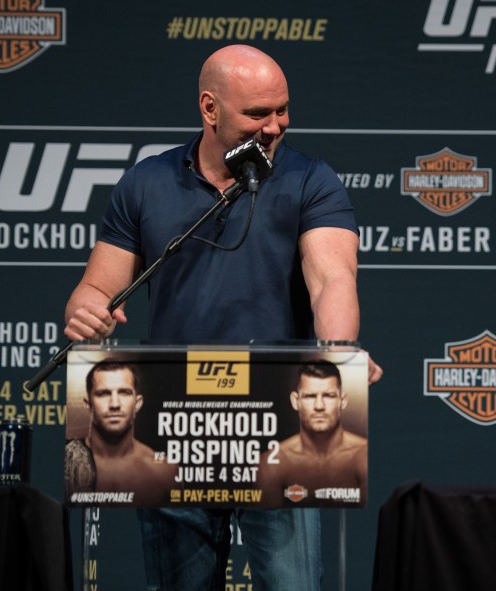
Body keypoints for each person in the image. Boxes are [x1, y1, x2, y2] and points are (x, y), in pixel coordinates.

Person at [63, 44, 382, 591]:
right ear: (210, 109)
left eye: (282, 110)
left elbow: (332, 276)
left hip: (276, 426)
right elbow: (95, 287)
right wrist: (85, 310)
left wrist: (337, 350)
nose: (275, 126)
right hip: (174, 425)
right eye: (258, 114)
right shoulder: (146, 183)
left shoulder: (312, 179)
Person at [65, 359, 177, 505]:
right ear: (88, 404)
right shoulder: (66, 462)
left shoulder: (164, 470)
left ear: (137, 404)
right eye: (103, 394)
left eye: (124, 393)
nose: (115, 404)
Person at [259, 360, 367, 507]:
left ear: (343, 401)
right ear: (295, 401)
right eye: (310, 396)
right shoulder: (272, 463)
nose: (319, 406)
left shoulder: (362, 456)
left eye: (329, 395)